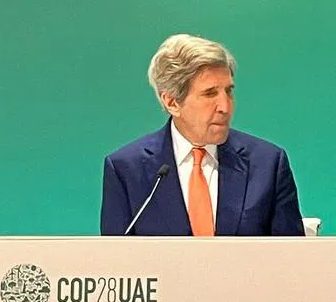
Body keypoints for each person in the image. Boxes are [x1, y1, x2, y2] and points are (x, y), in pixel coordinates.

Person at [100, 34, 305, 236]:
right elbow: (116, 262)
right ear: (172, 102)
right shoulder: (126, 169)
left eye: (229, 91)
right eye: (210, 94)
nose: (225, 106)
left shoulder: (268, 164)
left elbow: (292, 261)